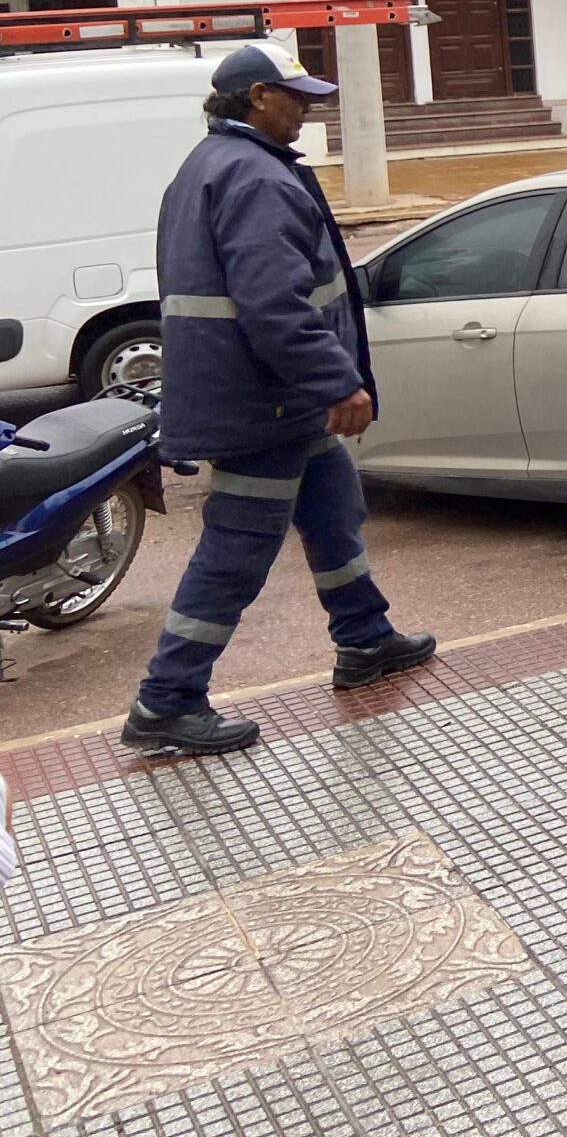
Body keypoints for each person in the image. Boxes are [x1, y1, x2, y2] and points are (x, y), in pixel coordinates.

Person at [123, 38, 435, 757]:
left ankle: (364, 638)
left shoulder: (215, 164)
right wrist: (336, 381)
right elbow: (274, 303)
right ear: (257, 98)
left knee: (333, 509)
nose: (306, 108)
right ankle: (167, 699)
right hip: (263, 404)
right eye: (295, 96)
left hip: (270, 399)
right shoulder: (254, 176)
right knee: (236, 549)